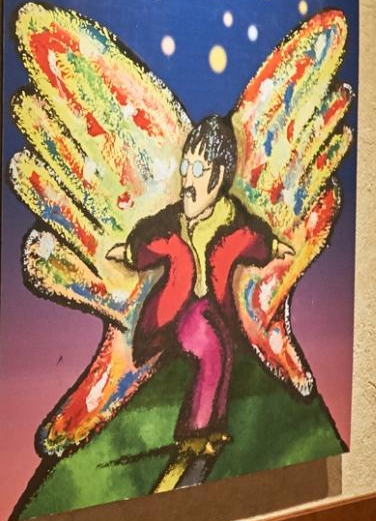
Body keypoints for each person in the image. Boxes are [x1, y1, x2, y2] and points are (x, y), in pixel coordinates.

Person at [106, 114, 273, 492]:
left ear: (219, 176)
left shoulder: (230, 218)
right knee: (210, 344)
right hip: (177, 312)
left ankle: (211, 427)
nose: (188, 179)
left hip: (212, 310)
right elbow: (148, 240)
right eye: (186, 167)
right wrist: (128, 252)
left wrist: (273, 246)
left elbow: (254, 237)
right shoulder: (176, 219)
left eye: (197, 169)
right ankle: (196, 430)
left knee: (223, 349)